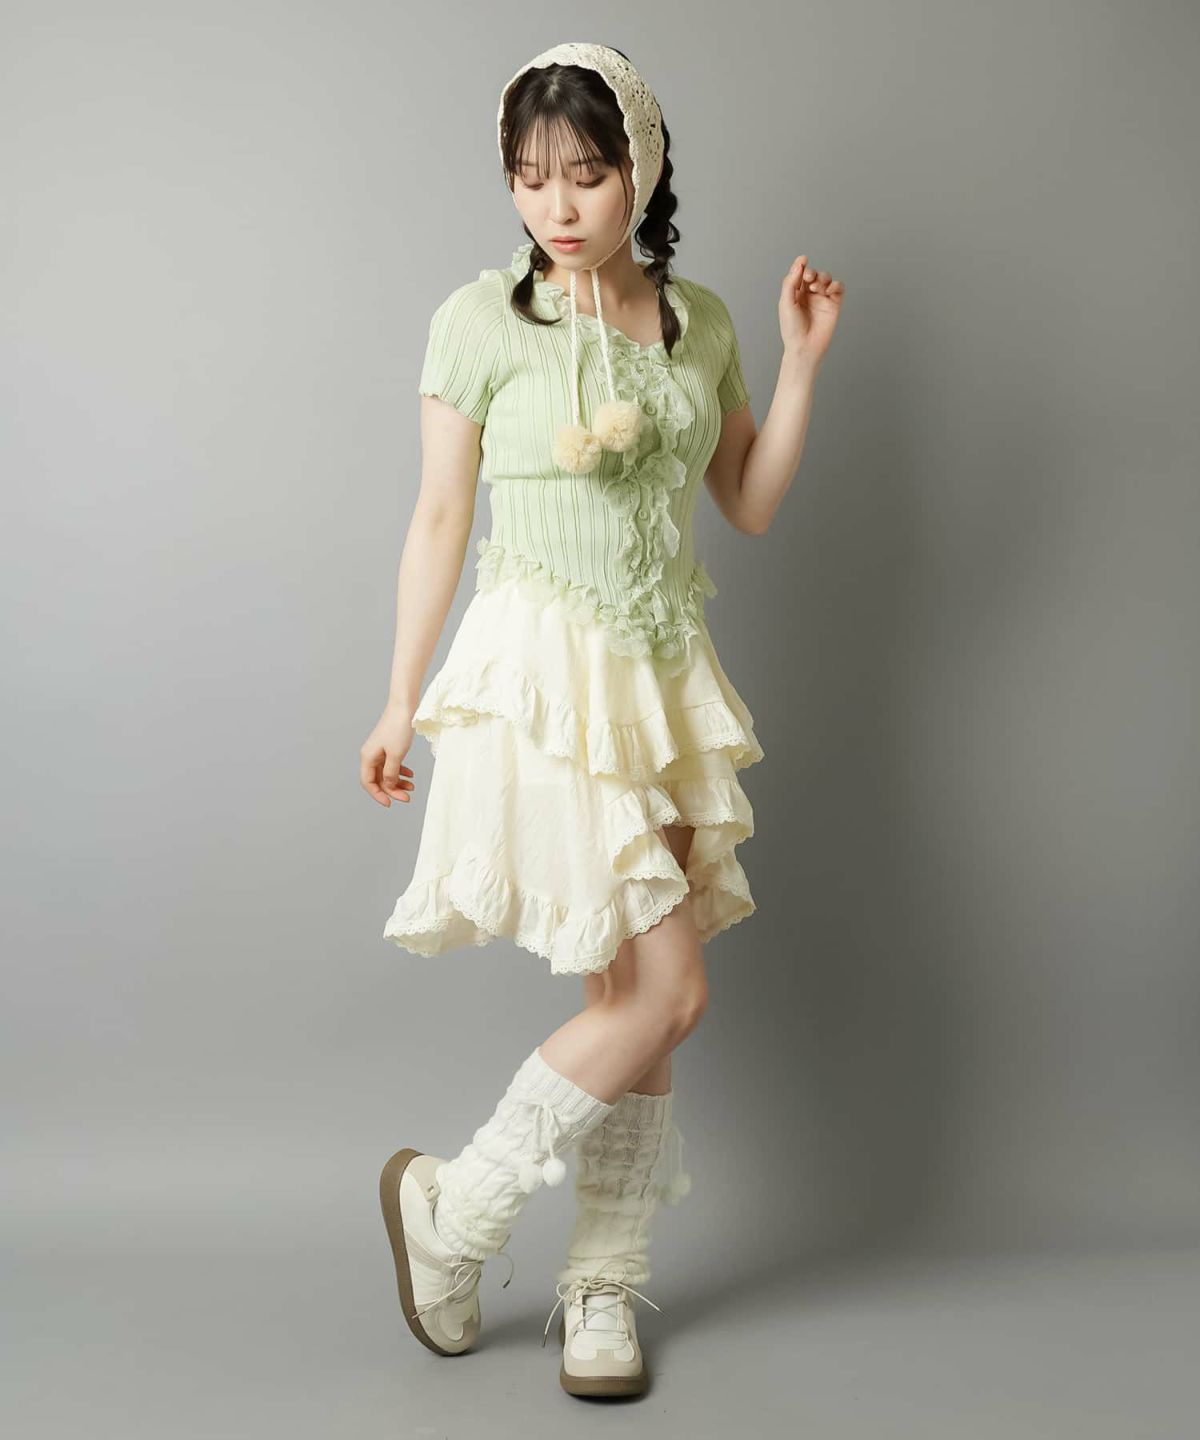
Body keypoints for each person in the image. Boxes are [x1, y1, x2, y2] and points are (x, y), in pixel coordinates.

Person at [362, 42, 845, 1398]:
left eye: (584, 172)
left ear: (642, 167)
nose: (557, 204)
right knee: (670, 991)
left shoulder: (700, 322)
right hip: (543, 674)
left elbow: (747, 501)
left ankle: (602, 1285)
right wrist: (400, 697)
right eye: (530, 177)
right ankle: (456, 1212)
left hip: (661, 675)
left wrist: (802, 364)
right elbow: (439, 518)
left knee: (631, 999)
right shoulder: (480, 321)